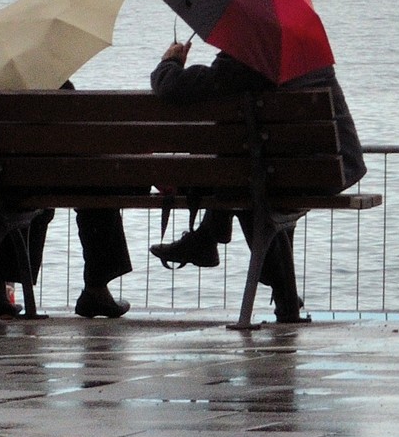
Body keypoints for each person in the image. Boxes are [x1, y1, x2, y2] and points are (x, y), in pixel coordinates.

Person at [146, 40, 366, 322]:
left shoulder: (246, 57)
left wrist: (170, 63)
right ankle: (211, 239)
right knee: (248, 177)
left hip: (273, 175)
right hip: (330, 169)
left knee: (246, 182)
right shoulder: (311, 54)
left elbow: (174, 88)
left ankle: (209, 238)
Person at [0, 80, 133, 319]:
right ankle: (96, 289)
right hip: (8, 191)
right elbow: (77, 142)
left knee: (19, 191)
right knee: (93, 187)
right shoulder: (53, 86)